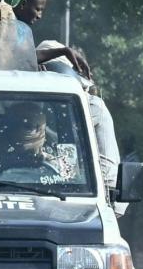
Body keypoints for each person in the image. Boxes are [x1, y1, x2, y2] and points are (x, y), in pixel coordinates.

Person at [37, 40, 122, 198]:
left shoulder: (90, 105)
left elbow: (66, 147)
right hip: (84, 183)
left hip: (105, 190)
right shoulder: (59, 107)